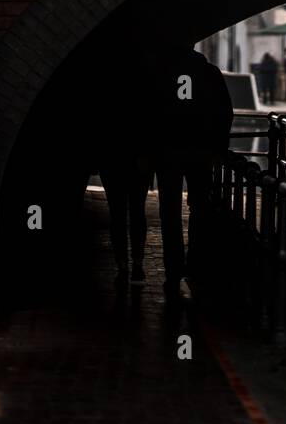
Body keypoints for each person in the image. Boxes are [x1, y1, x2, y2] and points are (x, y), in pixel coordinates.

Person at [150, 45, 234, 302]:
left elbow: (152, 114)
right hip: (201, 152)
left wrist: (153, 148)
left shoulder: (162, 73)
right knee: (200, 207)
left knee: (170, 211)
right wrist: (218, 149)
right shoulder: (209, 73)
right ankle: (196, 263)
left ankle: (174, 268)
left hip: (169, 152)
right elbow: (224, 113)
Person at [96, 48, 153, 287]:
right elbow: (151, 123)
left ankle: (123, 264)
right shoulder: (145, 90)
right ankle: (137, 265)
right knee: (136, 211)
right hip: (137, 159)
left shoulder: (106, 89)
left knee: (118, 213)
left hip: (113, 158)